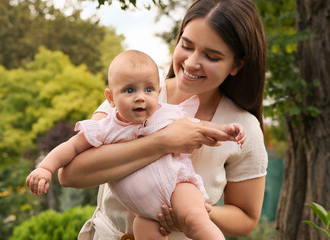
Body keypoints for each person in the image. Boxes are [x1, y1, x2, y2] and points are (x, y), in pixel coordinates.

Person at [57, 0, 268, 239]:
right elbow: (70, 174)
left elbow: (246, 218)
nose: (191, 62)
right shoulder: (133, 97)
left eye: (211, 56)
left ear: (236, 65)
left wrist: (195, 212)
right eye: (186, 45)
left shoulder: (240, 127)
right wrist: (163, 142)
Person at [26, 50, 245, 240]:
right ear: (111, 98)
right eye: (130, 90)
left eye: (148, 90)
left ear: (158, 93)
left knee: (196, 219)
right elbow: (71, 147)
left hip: (178, 186)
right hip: (143, 213)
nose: (140, 97)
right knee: (145, 231)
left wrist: (226, 131)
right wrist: (46, 168)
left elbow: (199, 128)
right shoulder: (105, 127)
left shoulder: (166, 114)